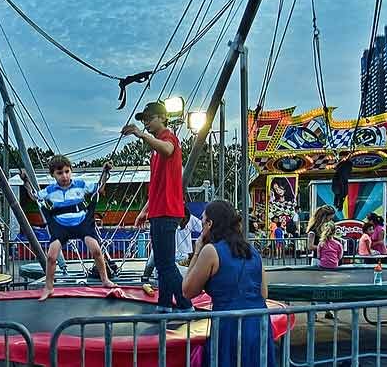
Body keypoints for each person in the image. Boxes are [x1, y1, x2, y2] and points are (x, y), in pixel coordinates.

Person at [182, 200, 276, 366]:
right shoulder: (252, 251)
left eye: (203, 222)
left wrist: (197, 252)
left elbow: (187, 290)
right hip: (259, 323)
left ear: (210, 224)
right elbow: (263, 294)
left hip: (229, 325)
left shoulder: (211, 251)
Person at [123, 101, 193, 313]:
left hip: (166, 211)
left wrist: (141, 134)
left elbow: (168, 149)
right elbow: (157, 186)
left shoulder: (168, 138)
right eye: (144, 120)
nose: (146, 123)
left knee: (166, 263)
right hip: (159, 210)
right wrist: (145, 210)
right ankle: (164, 304)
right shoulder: (155, 150)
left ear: (163, 118)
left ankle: (184, 303)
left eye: (149, 118)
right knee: (162, 264)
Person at [20, 155, 116, 301]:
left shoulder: (80, 184)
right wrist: (26, 181)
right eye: (59, 173)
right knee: (51, 256)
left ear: (71, 171)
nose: (64, 176)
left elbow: (99, 188)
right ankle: (49, 287)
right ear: (53, 175)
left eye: (67, 171)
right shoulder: (50, 190)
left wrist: (105, 172)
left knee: (96, 250)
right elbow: (34, 196)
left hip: (82, 223)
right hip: (61, 226)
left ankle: (105, 280)